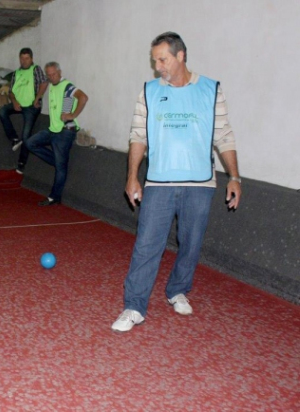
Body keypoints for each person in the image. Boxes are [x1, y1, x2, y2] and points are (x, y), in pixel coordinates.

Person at [111, 32, 242, 333]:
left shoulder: (211, 90)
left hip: (200, 183)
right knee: (146, 245)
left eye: (163, 59)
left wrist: (234, 176)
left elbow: (224, 135)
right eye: (155, 60)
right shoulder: (149, 91)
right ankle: (134, 306)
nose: (157, 66)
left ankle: (177, 289)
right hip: (159, 182)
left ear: (180, 55)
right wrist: (132, 176)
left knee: (191, 243)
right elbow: (138, 136)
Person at [26, 62, 88, 206]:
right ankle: (59, 163)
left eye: (54, 74)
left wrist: (72, 115)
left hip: (66, 131)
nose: (51, 77)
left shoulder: (67, 86)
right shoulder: (52, 86)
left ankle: (54, 197)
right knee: (30, 143)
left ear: (59, 72)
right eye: (49, 75)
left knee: (60, 167)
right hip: (53, 129)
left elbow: (83, 98)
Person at [0, 48, 48, 174]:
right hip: (19, 104)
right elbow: (10, 92)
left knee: (26, 135)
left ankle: (22, 163)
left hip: (31, 106)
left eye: (26, 58)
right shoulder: (16, 73)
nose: (24, 61)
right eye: (22, 58)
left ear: (31, 58)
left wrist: (38, 98)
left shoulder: (36, 69)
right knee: (2, 111)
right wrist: (14, 102)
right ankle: (14, 138)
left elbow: (44, 83)